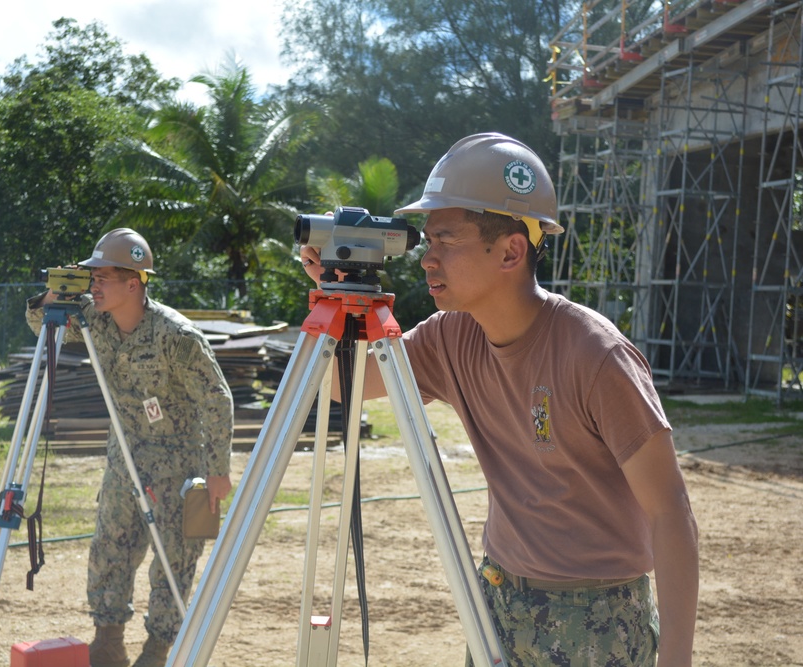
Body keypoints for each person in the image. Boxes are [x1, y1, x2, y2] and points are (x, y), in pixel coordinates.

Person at [299, 133, 699, 667]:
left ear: (510, 250)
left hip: (597, 619)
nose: (427, 259)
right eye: (427, 240)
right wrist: (333, 300)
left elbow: (670, 509)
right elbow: (338, 384)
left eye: (446, 240)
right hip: (497, 601)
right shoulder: (450, 338)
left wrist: (676, 659)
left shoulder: (595, 355)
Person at [26, 228, 234, 667]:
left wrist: (218, 472)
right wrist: (57, 291)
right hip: (126, 458)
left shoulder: (176, 335)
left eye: (102, 278)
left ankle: (158, 651)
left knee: (175, 562)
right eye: (91, 278)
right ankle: (107, 642)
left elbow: (216, 399)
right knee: (110, 549)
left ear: (133, 283)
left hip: (183, 465)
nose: (94, 287)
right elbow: (38, 323)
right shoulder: (94, 321)